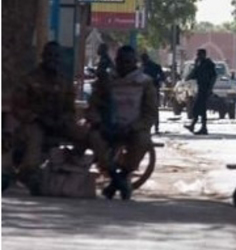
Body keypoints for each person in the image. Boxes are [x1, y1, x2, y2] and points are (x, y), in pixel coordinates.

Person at [11, 41, 89, 195]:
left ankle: (73, 162)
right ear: (43, 57)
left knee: (85, 133)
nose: (53, 59)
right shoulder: (30, 79)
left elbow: (70, 108)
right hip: (35, 122)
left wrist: (63, 120)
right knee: (35, 135)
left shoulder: (64, 82)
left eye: (56, 56)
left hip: (58, 122)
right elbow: (18, 107)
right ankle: (29, 172)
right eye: (50, 55)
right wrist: (36, 118)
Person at [85, 45, 159, 200]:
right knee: (94, 137)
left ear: (134, 62)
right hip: (107, 127)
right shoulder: (106, 81)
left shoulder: (145, 83)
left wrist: (134, 127)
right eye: (121, 61)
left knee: (143, 140)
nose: (124, 65)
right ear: (116, 61)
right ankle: (115, 176)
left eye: (128, 62)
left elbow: (150, 113)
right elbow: (93, 106)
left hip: (133, 129)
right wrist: (99, 122)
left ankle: (121, 177)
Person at [185, 49, 217, 135]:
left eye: (199, 55)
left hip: (205, 89)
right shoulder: (200, 64)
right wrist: (187, 78)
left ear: (203, 55)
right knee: (200, 108)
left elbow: (214, 76)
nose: (198, 56)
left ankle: (199, 127)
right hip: (201, 88)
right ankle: (197, 126)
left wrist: (210, 88)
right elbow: (194, 74)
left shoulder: (208, 64)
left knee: (198, 107)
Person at [139, 52, 166, 133]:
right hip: (143, 90)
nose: (143, 61)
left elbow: (162, 76)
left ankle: (156, 127)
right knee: (146, 109)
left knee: (153, 108)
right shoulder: (141, 67)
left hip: (152, 89)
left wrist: (155, 81)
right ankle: (149, 127)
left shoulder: (154, 66)